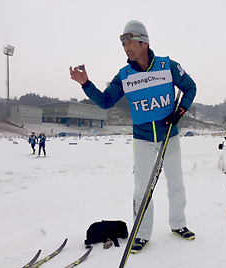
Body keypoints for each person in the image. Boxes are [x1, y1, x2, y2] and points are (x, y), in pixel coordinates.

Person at [70, 20, 196, 254]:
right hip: (143, 138)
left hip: (170, 135)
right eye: (123, 43)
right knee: (142, 189)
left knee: (176, 183)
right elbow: (106, 102)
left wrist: (180, 111)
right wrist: (86, 84)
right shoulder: (125, 75)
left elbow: (190, 88)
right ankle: (142, 234)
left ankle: (179, 225)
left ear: (144, 42)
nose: (126, 46)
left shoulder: (167, 66)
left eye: (129, 41)